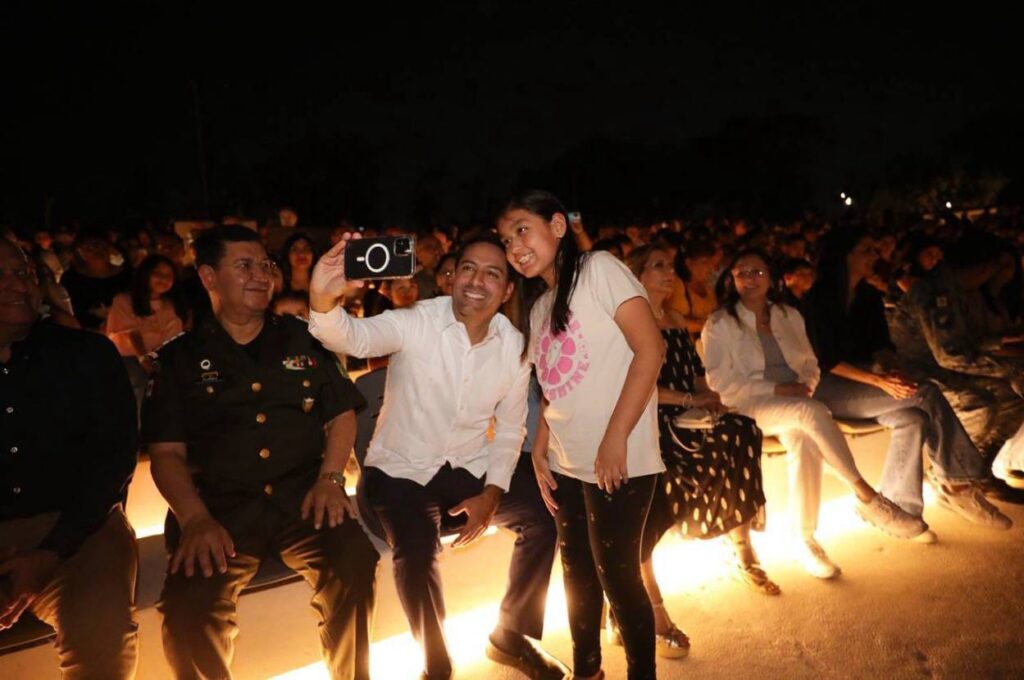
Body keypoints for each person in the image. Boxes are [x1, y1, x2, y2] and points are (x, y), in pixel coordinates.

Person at [308, 230, 565, 680]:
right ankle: (436, 665)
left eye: (492, 274)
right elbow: (350, 337)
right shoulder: (417, 320)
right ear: (451, 277)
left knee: (545, 515)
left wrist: (492, 493)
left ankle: (510, 634)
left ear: (507, 290)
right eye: (468, 268)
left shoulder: (513, 345)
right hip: (397, 473)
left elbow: (510, 429)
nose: (477, 281)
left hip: (467, 468)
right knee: (417, 552)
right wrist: (323, 296)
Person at [141, 225, 378, 680]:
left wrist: (331, 479)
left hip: (304, 498)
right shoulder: (178, 360)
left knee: (354, 564)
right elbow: (166, 453)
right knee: (188, 612)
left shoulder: (305, 338)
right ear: (209, 278)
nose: (261, 275)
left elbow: (340, 415)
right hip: (218, 509)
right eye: (244, 265)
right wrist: (194, 518)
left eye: (265, 265)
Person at [498, 190, 665, 680]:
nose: (514, 247)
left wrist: (616, 437)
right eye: (506, 240)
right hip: (566, 459)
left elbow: (650, 350)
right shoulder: (539, 307)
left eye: (522, 230)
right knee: (576, 572)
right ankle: (588, 670)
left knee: (619, 576)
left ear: (557, 225)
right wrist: (540, 447)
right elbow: (554, 388)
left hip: (619, 455)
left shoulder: (600, 270)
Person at [702, 249, 928, 580]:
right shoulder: (720, 323)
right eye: (741, 272)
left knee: (804, 438)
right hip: (747, 404)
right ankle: (867, 496)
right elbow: (721, 383)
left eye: (757, 271)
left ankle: (804, 538)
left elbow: (810, 362)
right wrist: (779, 390)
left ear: (771, 277)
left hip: (795, 403)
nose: (750, 279)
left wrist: (805, 386)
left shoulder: (788, 315)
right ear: (731, 279)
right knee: (810, 413)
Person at [619, 246, 774, 659]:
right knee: (652, 482)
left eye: (669, 266)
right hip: (647, 421)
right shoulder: (627, 322)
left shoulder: (672, 318)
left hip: (686, 415)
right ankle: (645, 601)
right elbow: (635, 388)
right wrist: (689, 400)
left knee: (742, 431)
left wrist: (708, 398)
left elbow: (696, 373)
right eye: (658, 266)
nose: (669, 272)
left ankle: (740, 544)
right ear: (637, 275)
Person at [804, 229, 1011, 532]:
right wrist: (879, 380)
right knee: (925, 393)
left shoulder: (868, 297)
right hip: (826, 386)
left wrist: (891, 369)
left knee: (913, 418)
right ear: (844, 256)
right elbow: (826, 359)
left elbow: (881, 345)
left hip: (866, 381)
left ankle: (900, 508)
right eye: (866, 250)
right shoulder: (818, 299)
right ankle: (958, 484)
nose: (875, 255)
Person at [0, 239, 139, 679]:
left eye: (23, 273)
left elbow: (114, 463)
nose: (18, 285)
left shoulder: (86, 356)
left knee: (102, 644)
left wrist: (52, 551)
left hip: (79, 531)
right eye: (1, 276)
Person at [105, 255, 190, 409]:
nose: (163, 279)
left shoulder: (169, 305)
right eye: (157, 273)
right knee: (140, 387)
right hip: (130, 359)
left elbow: (173, 338)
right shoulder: (124, 301)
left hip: (158, 358)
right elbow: (131, 334)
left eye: (168, 276)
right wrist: (144, 359)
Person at [61, 230, 132, 330]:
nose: (97, 251)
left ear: (109, 247)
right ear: (80, 251)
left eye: (101, 245)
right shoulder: (71, 278)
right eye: (90, 247)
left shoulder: (127, 275)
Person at [668, 239, 718, 335]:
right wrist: (708, 326)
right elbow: (673, 320)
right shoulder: (676, 285)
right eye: (705, 261)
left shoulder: (707, 286)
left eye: (711, 262)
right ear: (688, 262)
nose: (710, 266)